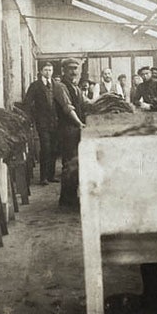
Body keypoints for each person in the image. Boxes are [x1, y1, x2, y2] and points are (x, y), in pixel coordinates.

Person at [52, 58, 88, 207]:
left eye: (76, 68)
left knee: (76, 162)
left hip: (75, 128)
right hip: (67, 128)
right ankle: (67, 199)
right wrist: (80, 123)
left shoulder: (76, 87)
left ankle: (71, 195)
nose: (74, 71)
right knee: (69, 163)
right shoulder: (61, 87)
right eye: (70, 68)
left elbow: (86, 103)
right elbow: (67, 108)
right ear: (63, 71)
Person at [24, 61, 59, 185]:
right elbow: (27, 104)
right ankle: (43, 177)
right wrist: (32, 118)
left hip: (55, 122)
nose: (48, 72)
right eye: (45, 70)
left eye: (50, 70)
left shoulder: (56, 85)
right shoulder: (35, 86)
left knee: (54, 148)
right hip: (42, 122)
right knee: (46, 148)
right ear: (40, 71)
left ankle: (51, 175)